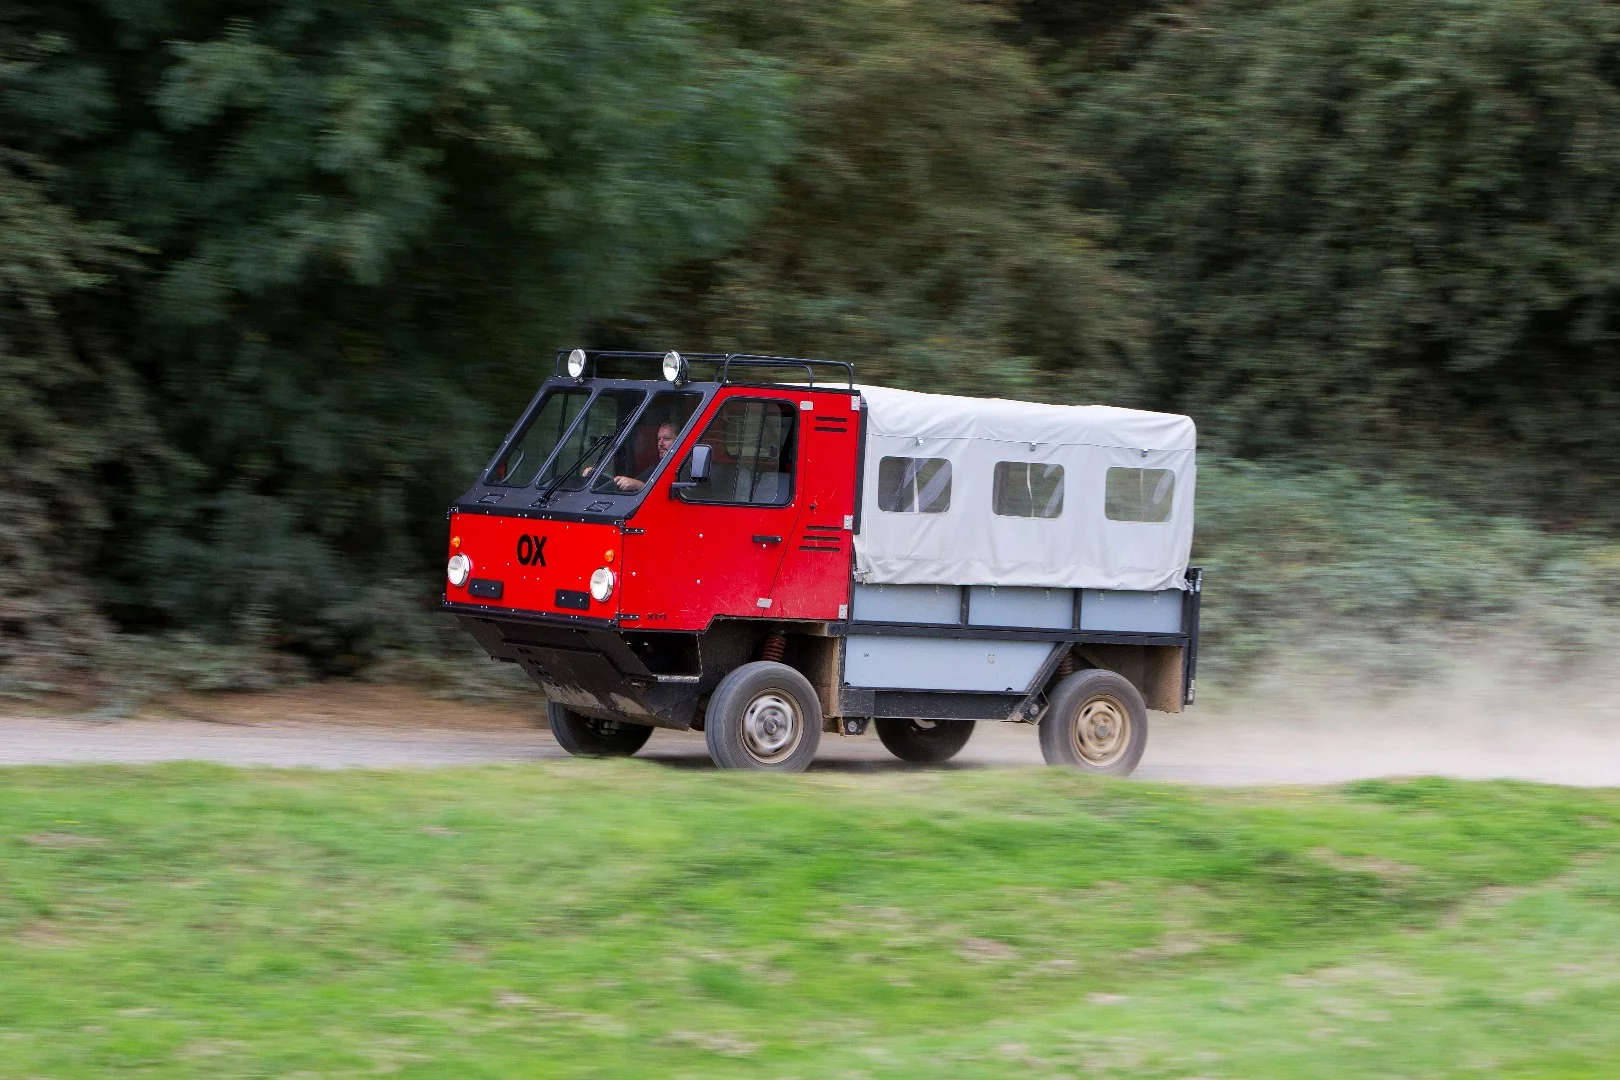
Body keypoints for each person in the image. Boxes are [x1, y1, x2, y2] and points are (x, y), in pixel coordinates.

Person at [604, 422, 677, 492]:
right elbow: (633, 482)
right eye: (658, 439)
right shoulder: (657, 467)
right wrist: (598, 475)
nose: (660, 443)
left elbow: (680, 496)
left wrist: (639, 486)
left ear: (678, 441)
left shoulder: (684, 468)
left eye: (666, 438)